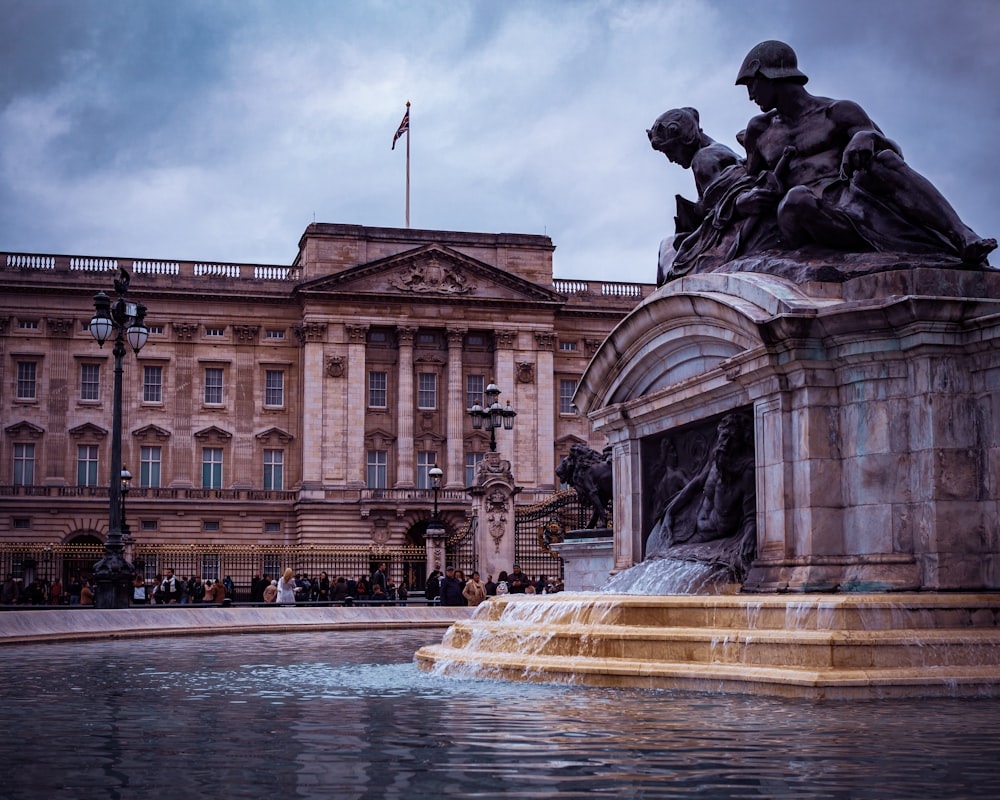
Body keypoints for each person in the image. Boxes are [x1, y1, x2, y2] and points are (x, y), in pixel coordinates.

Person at [734, 40, 996, 265]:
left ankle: (962, 235)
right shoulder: (760, 130)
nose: (750, 96)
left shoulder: (837, 112)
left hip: (854, 204)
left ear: (769, 76)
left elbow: (892, 153)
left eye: (751, 85)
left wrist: (866, 137)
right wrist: (742, 200)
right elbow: (747, 179)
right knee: (796, 199)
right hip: (803, 216)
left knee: (882, 161)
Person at [648, 106, 778, 282]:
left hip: (730, 232)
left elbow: (725, 207)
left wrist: (700, 212)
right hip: (730, 225)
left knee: (668, 248)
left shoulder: (703, 160)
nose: (671, 159)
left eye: (670, 151)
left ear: (685, 138)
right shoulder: (717, 150)